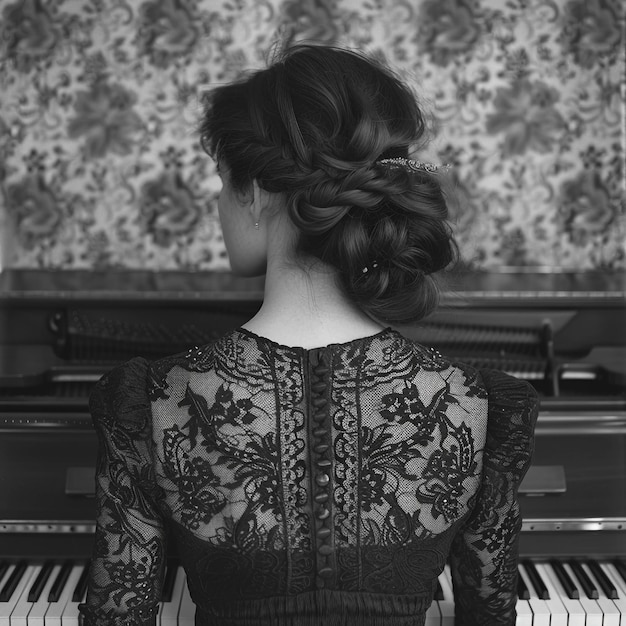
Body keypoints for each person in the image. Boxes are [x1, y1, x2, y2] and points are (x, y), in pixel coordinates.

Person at [79, 43, 538, 626]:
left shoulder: (151, 401)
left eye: (222, 182)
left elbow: (118, 615)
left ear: (253, 192)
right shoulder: (478, 406)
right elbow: (490, 613)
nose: (220, 203)